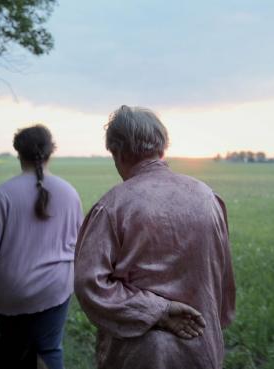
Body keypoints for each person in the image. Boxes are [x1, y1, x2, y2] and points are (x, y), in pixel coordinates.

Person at [74, 105, 236, 369]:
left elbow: (89, 283)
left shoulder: (112, 206)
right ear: (162, 148)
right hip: (201, 348)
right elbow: (223, 277)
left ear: (118, 152)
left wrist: (156, 312)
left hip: (138, 356)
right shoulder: (209, 198)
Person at [0, 124, 83, 369]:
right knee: (49, 350)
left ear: (18, 153)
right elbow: (79, 245)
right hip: (54, 289)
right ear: (51, 151)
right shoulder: (70, 193)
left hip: (10, 293)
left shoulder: (4, 194)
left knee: (10, 350)